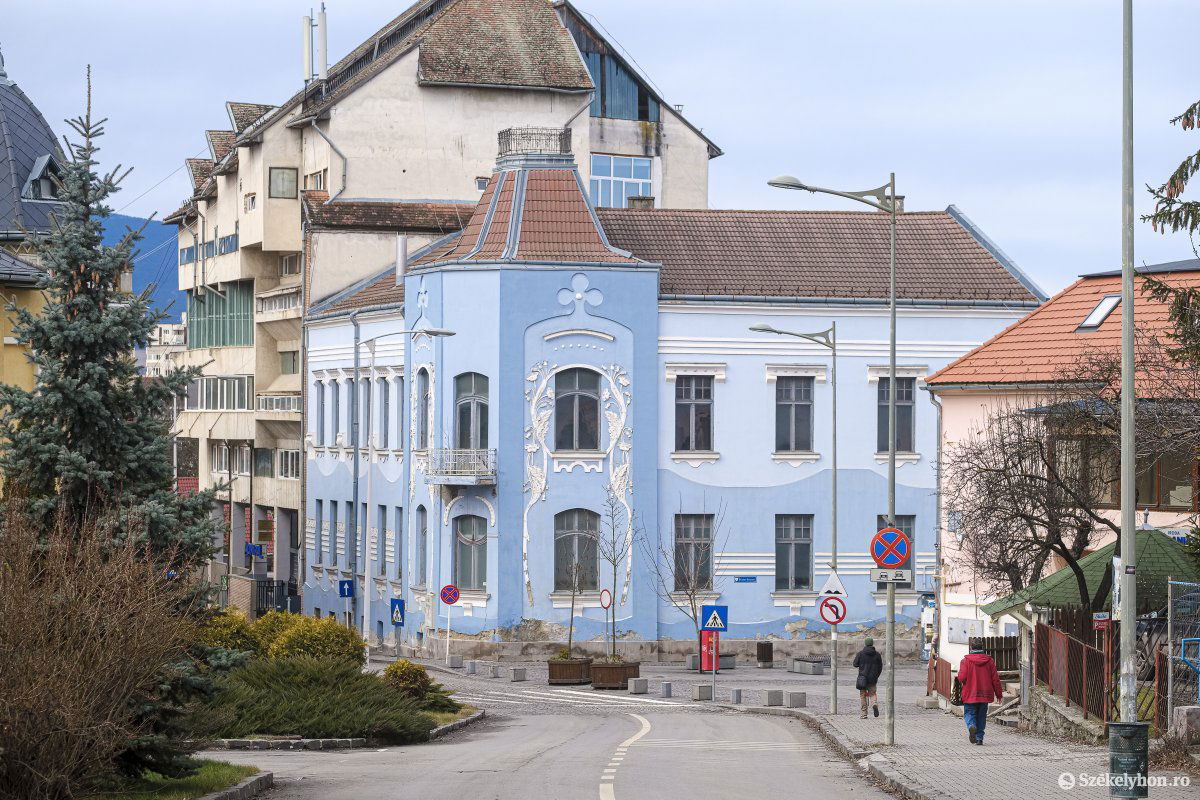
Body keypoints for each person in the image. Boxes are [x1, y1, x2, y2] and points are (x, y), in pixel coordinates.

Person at [957, 644, 1003, 745]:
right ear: (982, 648)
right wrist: (999, 694)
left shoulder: (965, 661)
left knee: (969, 713)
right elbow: (995, 679)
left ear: (971, 648)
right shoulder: (989, 661)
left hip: (970, 693)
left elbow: (961, 678)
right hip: (985, 694)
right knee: (981, 716)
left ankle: (971, 726)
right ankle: (979, 738)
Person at [852, 637, 883, 719]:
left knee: (863, 695)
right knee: (872, 694)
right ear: (872, 644)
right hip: (873, 679)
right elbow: (880, 667)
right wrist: (876, 676)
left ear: (865, 644)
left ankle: (864, 714)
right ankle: (874, 704)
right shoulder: (877, 655)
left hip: (863, 679)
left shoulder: (861, 654)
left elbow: (855, 664)